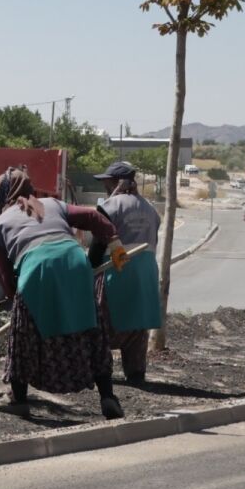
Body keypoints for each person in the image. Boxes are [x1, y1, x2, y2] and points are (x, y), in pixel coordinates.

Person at [0, 168, 125, 421]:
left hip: (37, 268)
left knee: (23, 339)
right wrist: (115, 244)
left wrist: (17, 302)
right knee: (91, 329)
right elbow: (93, 217)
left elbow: (2, 271)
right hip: (75, 262)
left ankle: (18, 399)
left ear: (3, 195)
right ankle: (108, 397)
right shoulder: (53, 204)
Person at [92, 160, 162, 382]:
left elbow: (96, 250)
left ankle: (100, 372)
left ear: (116, 182)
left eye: (107, 181)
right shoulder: (151, 210)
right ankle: (136, 372)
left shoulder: (109, 207)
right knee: (136, 325)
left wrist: (88, 269)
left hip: (117, 271)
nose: (105, 186)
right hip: (146, 274)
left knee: (101, 323)